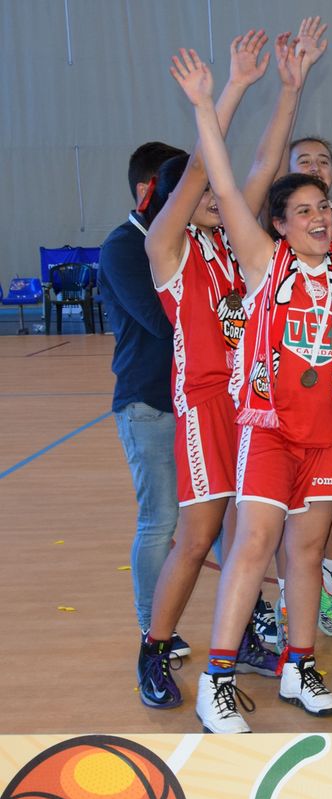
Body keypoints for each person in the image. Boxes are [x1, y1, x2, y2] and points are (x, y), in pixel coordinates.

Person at [176, 47, 332, 733]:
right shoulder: (262, 261)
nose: (324, 218)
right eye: (307, 211)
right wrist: (208, 106)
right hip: (269, 430)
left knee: (305, 552)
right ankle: (217, 680)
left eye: (326, 208)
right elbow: (224, 178)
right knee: (254, 542)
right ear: (280, 223)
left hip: (329, 433)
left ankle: (301, 663)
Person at [136, 29, 302, 708]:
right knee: (200, 533)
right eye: (201, 186)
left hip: (256, 405)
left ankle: (242, 637)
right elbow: (207, 172)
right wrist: (227, 90)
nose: (215, 190)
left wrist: (289, 87)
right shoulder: (170, 250)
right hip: (206, 405)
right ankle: (155, 644)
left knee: (249, 533)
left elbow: (260, 161)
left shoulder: (241, 246)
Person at [100, 140, 185, 652]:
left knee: (215, 520)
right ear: (148, 191)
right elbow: (161, 321)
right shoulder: (123, 247)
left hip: (195, 402)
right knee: (161, 520)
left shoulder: (187, 242)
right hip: (148, 402)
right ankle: (154, 628)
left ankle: (244, 619)